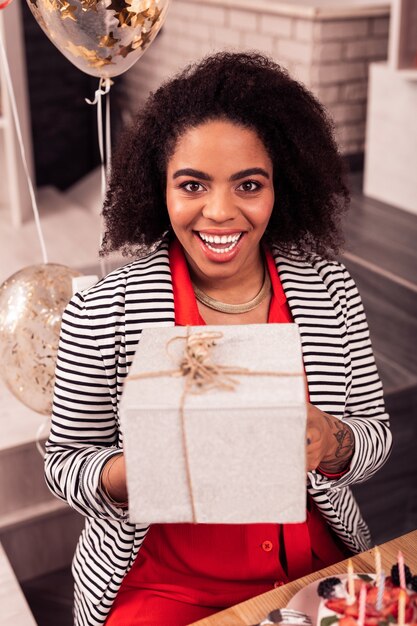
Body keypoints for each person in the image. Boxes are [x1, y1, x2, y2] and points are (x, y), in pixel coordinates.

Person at [45, 52, 392, 626]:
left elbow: (373, 438)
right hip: (160, 585)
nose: (220, 212)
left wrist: (333, 441)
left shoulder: (329, 290)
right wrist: (134, 471)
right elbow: (64, 464)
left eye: (248, 184)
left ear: (281, 186)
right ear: (162, 189)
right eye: (193, 184)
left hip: (309, 568)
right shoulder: (106, 307)